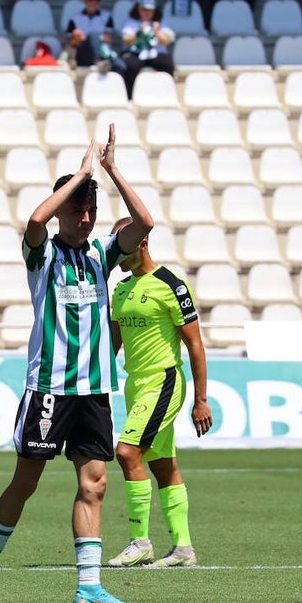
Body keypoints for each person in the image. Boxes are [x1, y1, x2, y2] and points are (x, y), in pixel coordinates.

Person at [0, 126, 155, 603]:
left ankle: (88, 587)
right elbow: (34, 219)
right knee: (25, 482)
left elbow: (145, 223)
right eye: (77, 209)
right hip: (48, 388)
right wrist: (80, 175)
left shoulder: (101, 254)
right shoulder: (42, 253)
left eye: (91, 210)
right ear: (62, 208)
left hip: (94, 391)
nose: (85, 218)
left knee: (95, 483)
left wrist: (109, 171)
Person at [105, 220, 212, 570]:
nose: (119, 252)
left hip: (163, 381)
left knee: (126, 452)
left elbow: (195, 344)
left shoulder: (171, 285)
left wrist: (201, 399)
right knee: (163, 465)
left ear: (143, 242)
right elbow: (111, 347)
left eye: (125, 244)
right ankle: (183, 549)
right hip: (135, 385)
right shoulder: (120, 289)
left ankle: (140, 542)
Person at [119, 0, 176, 99]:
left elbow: (166, 41)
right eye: (144, 9)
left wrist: (156, 32)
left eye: (149, 10)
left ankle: (167, 96)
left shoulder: (160, 22)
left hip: (156, 53)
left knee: (167, 63)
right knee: (130, 65)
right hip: (135, 53)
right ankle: (129, 96)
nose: (147, 12)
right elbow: (126, 39)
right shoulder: (130, 21)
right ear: (138, 8)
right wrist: (138, 34)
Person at [63, 0, 116, 69]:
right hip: (81, 53)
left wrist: (97, 38)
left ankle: (100, 61)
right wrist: (77, 38)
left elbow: (108, 39)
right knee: (90, 38)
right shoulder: (75, 19)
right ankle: (99, 62)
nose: (93, 1)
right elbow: (70, 43)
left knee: (121, 66)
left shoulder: (107, 17)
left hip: (102, 51)